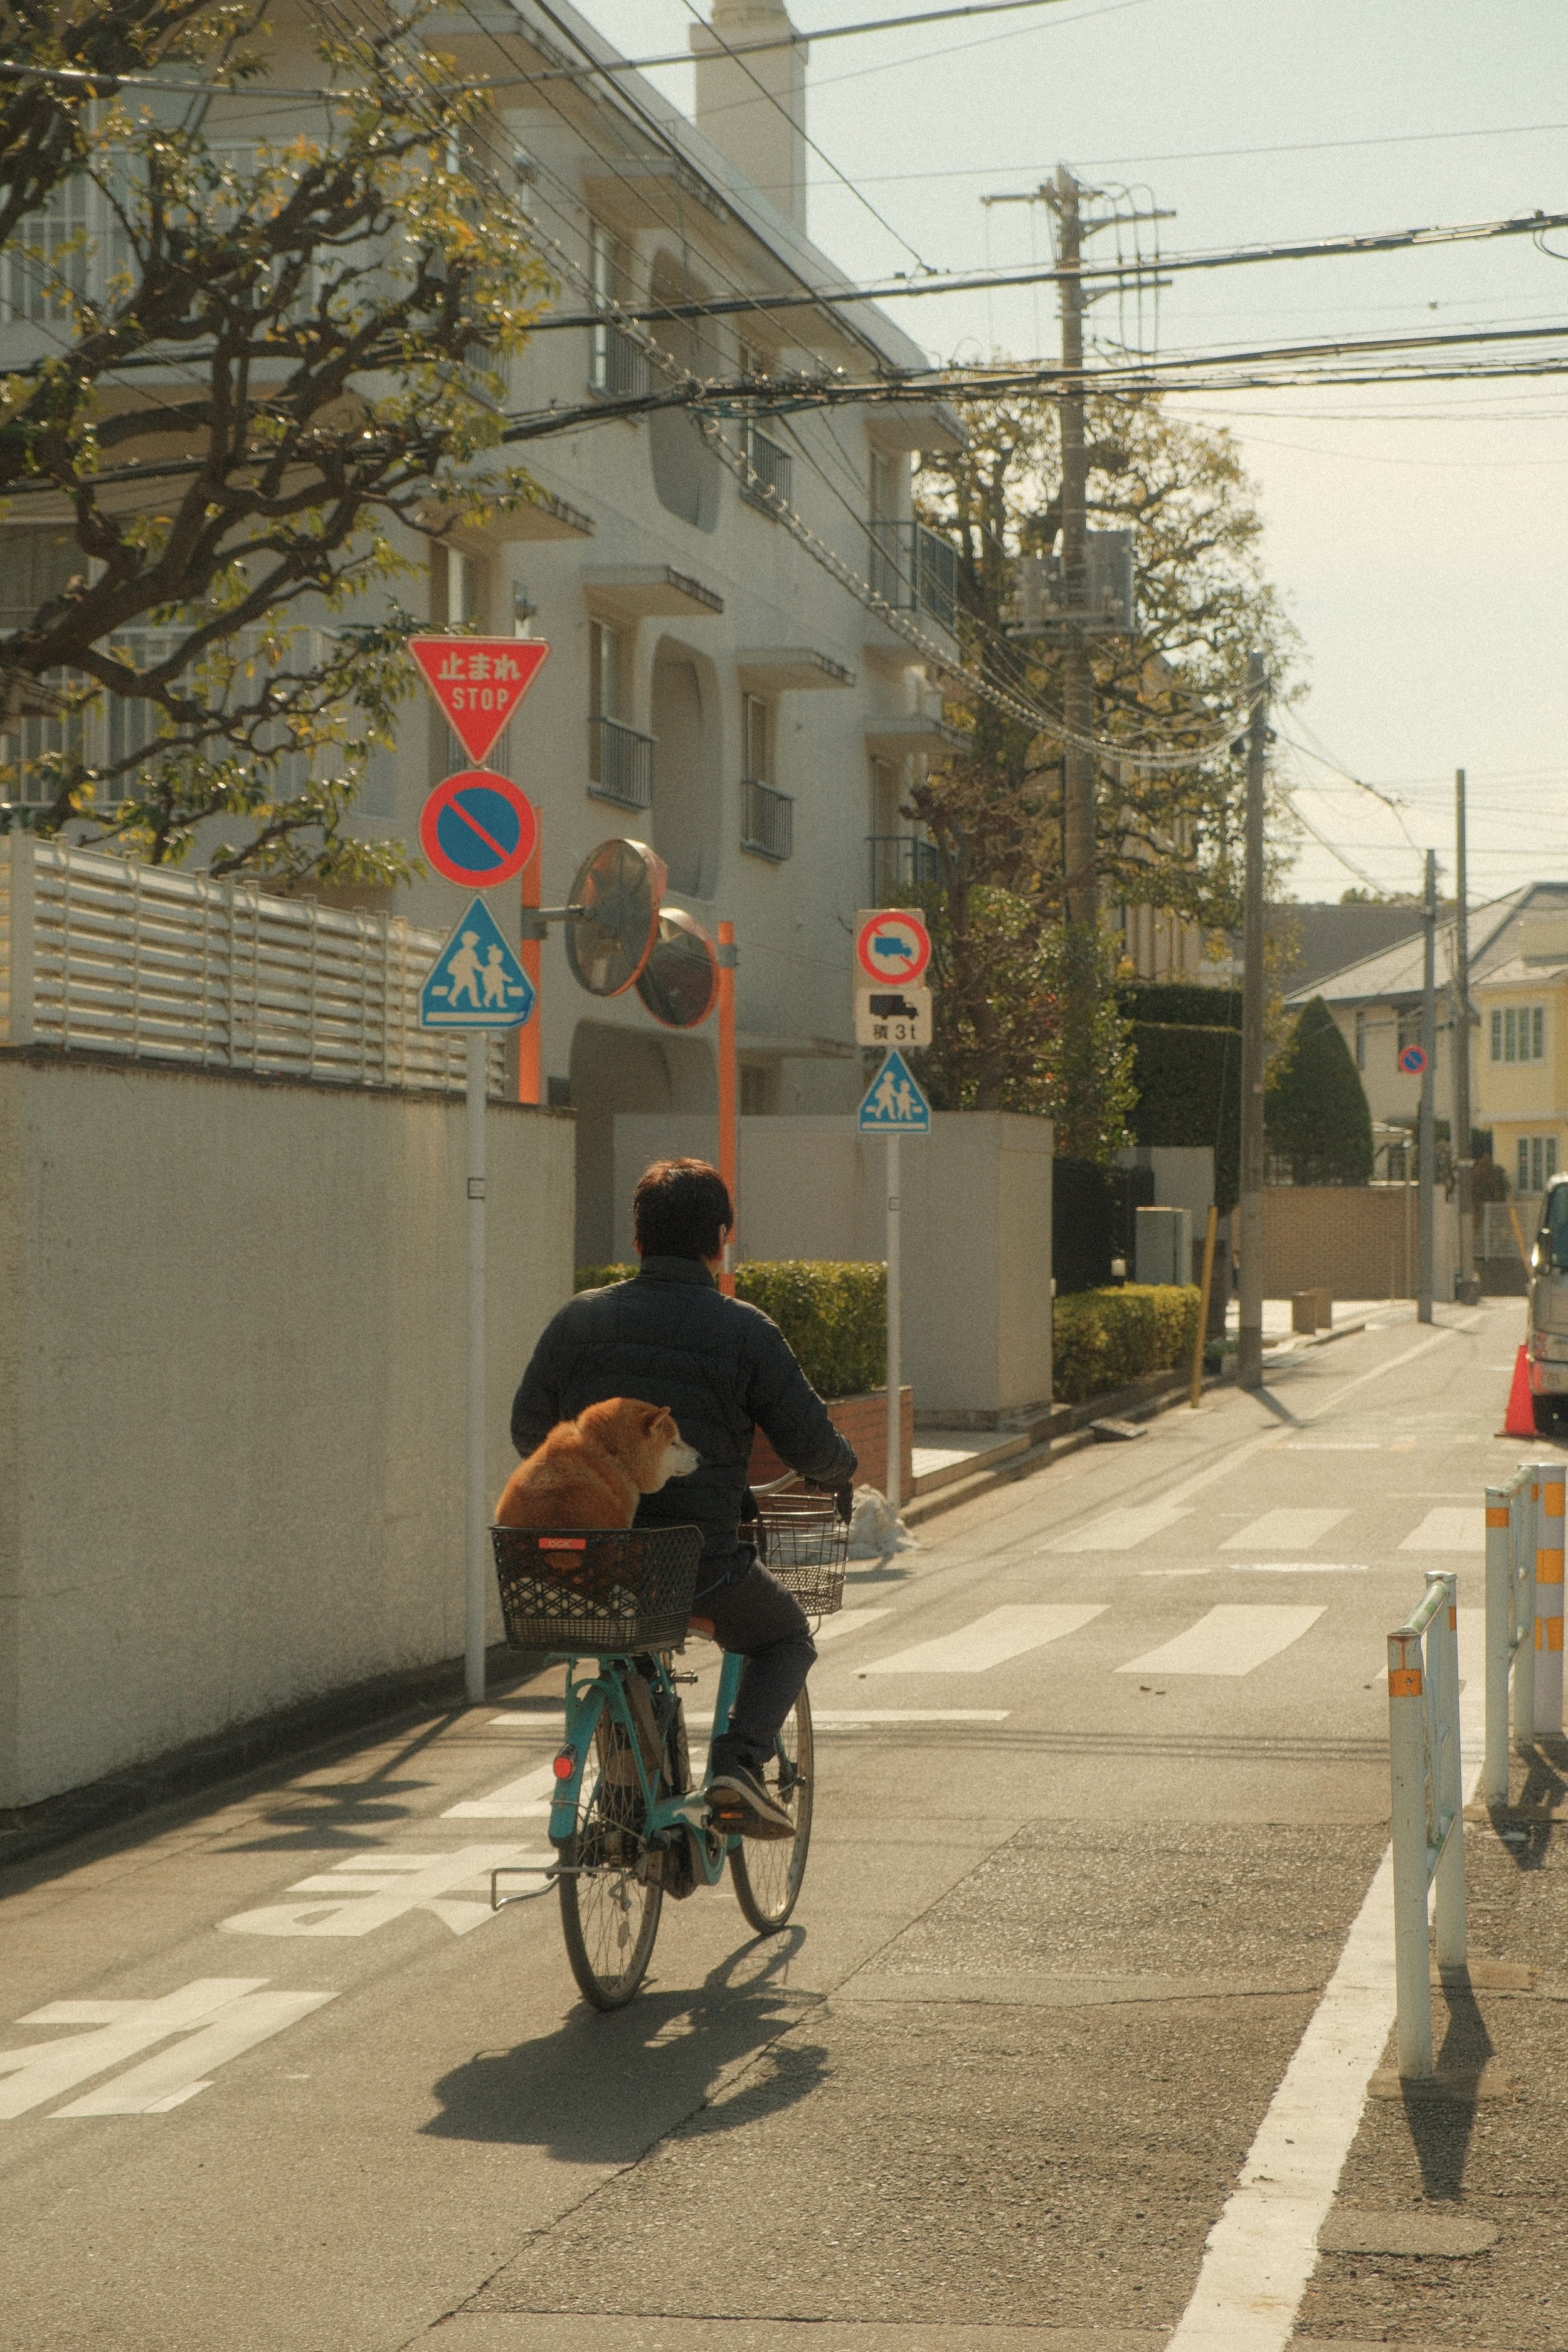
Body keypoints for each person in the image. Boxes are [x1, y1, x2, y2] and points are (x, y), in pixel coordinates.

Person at [510, 1157, 856, 1838]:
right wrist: (837, 1471)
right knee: (786, 1637)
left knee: (626, 1640)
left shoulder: (577, 1322)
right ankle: (736, 1766)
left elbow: (529, 1432)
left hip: (590, 1562)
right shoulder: (744, 1331)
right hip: (699, 1563)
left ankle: (624, 1807)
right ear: (720, 1238)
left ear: (637, 1239)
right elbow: (809, 1444)